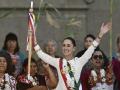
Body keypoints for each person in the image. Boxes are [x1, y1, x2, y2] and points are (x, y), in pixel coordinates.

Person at [34, 22, 111, 90]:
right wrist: (33, 38)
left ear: (74, 48)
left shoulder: (79, 61)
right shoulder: (58, 62)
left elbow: (92, 48)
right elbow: (41, 54)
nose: (65, 48)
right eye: (64, 45)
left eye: (68, 45)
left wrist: (100, 34)